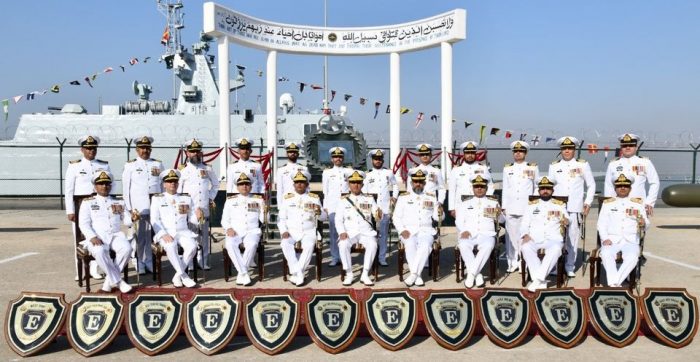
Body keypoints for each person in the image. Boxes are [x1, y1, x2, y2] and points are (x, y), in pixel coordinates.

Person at [78, 171, 133, 293]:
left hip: (115, 235)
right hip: (98, 236)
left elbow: (127, 222)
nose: (104, 186)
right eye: (101, 184)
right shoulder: (88, 202)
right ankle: (119, 281)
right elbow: (83, 223)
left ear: (111, 185)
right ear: (95, 186)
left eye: (107, 184)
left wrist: (133, 218)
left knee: (127, 248)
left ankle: (108, 282)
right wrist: (92, 237)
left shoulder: (119, 201)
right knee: (99, 250)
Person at [548, 136, 595, 277]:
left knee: (572, 238)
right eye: (564, 148)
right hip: (558, 207)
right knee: (556, 237)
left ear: (574, 150)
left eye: (570, 148)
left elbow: (591, 185)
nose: (567, 151)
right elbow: (549, 186)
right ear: (561, 150)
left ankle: (569, 266)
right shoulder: (554, 166)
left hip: (575, 207)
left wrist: (587, 202)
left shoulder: (583, 165)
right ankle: (556, 266)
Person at [65, 135, 111, 280]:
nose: (91, 151)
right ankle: (79, 270)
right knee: (79, 238)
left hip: (98, 207)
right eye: (88, 148)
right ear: (82, 149)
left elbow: (110, 184)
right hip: (80, 207)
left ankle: (95, 268)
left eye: (94, 148)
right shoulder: (74, 166)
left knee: (98, 236)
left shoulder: (104, 166)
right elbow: (69, 190)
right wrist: (70, 210)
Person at [393, 170, 443, 287]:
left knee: (425, 245)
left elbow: (437, 217)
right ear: (411, 183)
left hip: (426, 230)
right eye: (416, 181)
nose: (418, 184)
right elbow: (396, 217)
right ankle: (418, 275)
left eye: (420, 181)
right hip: (408, 230)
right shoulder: (403, 197)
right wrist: (401, 230)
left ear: (424, 183)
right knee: (410, 244)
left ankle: (414, 274)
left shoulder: (431, 197)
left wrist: (440, 211)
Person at [598, 173, 650, 287]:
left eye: (625, 186)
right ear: (615, 188)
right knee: (605, 253)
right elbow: (601, 224)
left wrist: (643, 223)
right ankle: (616, 284)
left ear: (630, 188)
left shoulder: (637, 204)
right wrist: (605, 238)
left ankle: (614, 283)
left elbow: (646, 223)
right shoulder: (608, 204)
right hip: (612, 239)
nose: (622, 188)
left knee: (633, 257)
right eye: (619, 186)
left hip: (630, 240)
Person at [150, 169, 199, 288]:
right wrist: (163, 234)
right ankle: (184, 276)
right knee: (170, 246)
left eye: (175, 181)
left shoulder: (186, 198)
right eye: (169, 181)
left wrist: (198, 216)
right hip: (166, 232)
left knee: (192, 246)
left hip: (183, 231)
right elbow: (154, 220)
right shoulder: (157, 199)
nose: (173, 183)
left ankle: (177, 276)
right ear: (164, 184)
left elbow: (192, 218)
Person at [520, 176, 570, 292]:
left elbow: (567, 219)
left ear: (552, 190)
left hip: (553, 239)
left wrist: (567, 221)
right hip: (534, 238)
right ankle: (541, 282)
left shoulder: (559, 205)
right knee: (525, 247)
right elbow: (524, 224)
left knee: (557, 249)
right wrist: (525, 234)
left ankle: (537, 280)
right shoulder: (531, 205)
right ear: (539, 191)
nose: (545, 191)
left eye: (548, 188)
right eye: (542, 188)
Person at [122, 136, 163, 274]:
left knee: (152, 236)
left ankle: (150, 261)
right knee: (139, 237)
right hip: (138, 208)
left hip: (155, 207)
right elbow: (126, 189)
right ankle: (139, 262)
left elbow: (162, 186)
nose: (145, 150)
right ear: (137, 150)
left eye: (147, 148)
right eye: (142, 148)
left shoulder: (158, 164)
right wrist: (129, 209)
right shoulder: (130, 165)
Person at [278, 171, 326, 286]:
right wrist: (283, 231)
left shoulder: (314, 198)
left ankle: (296, 273)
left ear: (307, 184)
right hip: (291, 231)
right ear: (293, 184)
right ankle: (298, 272)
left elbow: (324, 217)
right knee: (285, 243)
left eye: (302, 182)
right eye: (297, 182)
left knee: (309, 245)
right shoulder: (287, 199)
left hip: (309, 231)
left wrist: (319, 212)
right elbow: (281, 219)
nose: (299, 184)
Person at [178, 138, 219, 270]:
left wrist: (210, 197)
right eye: (192, 151)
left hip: (203, 207)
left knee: (204, 238)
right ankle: (189, 262)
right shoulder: (182, 171)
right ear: (187, 153)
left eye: (197, 151)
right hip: (189, 210)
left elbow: (216, 184)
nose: (195, 153)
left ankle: (203, 261)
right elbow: (179, 192)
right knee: (190, 236)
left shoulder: (207, 168)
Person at [336, 170, 380, 286]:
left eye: (358, 182)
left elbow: (377, 214)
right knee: (343, 244)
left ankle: (365, 274)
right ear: (349, 184)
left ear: (362, 184)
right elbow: (338, 220)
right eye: (353, 182)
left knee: (373, 244)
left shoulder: (369, 199)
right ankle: (349, 274)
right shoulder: (343, 200)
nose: (356, 185)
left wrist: (379, 213)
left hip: (366, 232)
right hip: (350, 232)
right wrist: (342, 232)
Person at [501, 140, 540, 273]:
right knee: (511, 237)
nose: (518, 153)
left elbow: (536, 187)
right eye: (515, 151)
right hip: (511, 207)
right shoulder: (507, 168)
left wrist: (532, 204)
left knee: (524, 235)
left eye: (521, 151)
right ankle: (511, 262)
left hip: (526, 207)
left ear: (525, 153)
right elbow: (505, 188)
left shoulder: (532, 167)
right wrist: (504, 206)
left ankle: (524, 262)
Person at [455, 175, 500, 288]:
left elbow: (501, 221)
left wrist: (500, 214)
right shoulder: (465, 203)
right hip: (469, 233)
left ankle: (471, 274)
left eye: (482, 186)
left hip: (487, 234)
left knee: (488, 245)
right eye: (477, 186)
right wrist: (464, 230)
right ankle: (478, 275)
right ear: (473, 188)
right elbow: (458, 220)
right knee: (463, 245)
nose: (479, 188)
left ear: (486, 188)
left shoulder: (493, 202)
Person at [221, 172, 266, 286]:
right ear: (237, 187)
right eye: (241, 184)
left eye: (247, 184)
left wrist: (266, 211)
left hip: (252, 231)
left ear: (251, 186)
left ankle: (241, 274)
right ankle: (244, 273)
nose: (244, 186)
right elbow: (224, 220)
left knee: (252, 245)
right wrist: (228, 228)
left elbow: (264, 220)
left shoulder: (259, 200)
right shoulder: (230, 201)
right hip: (235, 231)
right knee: (230, 244)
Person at [604, 133, 659, 216]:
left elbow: (655, 182)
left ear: (636, 147)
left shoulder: (645, 162)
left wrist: (649, 202)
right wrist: (608, 205)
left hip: (639, 205)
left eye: (631, 145)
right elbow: (609, 186)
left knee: (639, 228)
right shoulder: (613, 164)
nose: (628, 147)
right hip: (618, 206)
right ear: (621, 147)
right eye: (625, 145)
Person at [362, 149, 398, 266]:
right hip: (371, 209)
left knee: (383, 234)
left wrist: (394, 197)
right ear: (372, 160)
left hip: (385, 207)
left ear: (383, 160)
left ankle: (382, 258)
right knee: (371, 234)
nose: (378, 161)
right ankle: (371, 257)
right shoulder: (367, 174)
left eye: (380, 159)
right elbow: (364, 191)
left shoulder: (388, 173)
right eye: (376, 159)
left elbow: (395, 185)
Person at [322, 146, 352, 266]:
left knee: (347, 230)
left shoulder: (349, 172)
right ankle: (335, 257)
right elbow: (325, 191)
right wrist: (326, 206)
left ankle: (345, 255)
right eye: (335, 157)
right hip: (333, 206)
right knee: (334, 232)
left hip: (346, 206)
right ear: (332, 159)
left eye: (340, 157)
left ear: (343, 158)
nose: (338, 159)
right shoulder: (327, 172)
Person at [448, 141, 493, 217]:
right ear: (464, 154)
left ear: (475, 153)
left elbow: (490, 186)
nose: (470, 155)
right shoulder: (456, 170)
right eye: (468, 153)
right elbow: (452, 190)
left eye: (472, 153)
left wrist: (488, 203)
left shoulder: (483, 168)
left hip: (479, 204)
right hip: (461, 205)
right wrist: (452, 208)